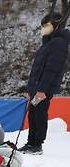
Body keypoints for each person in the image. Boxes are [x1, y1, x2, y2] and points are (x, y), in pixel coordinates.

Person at [20, 12, 70, 155]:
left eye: (46, 25)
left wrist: (42, 89)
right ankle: (31, 142)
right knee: (33, 114)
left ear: (55, 25)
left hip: (44, 87)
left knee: (40, 114)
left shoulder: (59, 43)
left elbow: (51, 68)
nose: (43, 28)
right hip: (37, 87)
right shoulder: (47, 43)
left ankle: (37, 144)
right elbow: (37, 68)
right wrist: (30, 89)